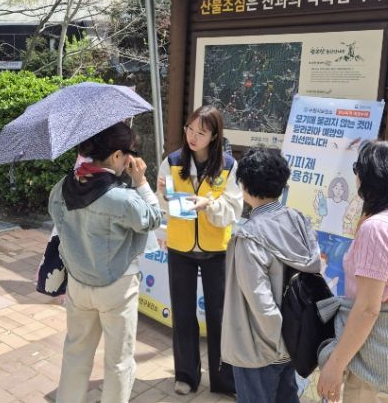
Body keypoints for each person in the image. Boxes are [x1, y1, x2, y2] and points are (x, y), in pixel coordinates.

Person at [49, 122, 162, 403]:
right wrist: (141, 181)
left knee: (75, 353)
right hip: (117, 286)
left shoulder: (62, 188)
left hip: (78, 283)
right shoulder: (122, 199)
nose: (130, 159)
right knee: (119, 361)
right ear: (116, 155)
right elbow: (153, 218)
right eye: (129, 153)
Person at [317, 140, 388, 403]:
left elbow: (368, 309)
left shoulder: (377, 228)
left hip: (376, 363)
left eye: (358, 168)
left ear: (375, 177)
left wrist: (335, 365)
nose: (356, 176)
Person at [221, 148, 321, 403]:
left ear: (244, 186)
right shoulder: (298, 219)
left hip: (259, 347)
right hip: (295, 339)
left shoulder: (249, 236)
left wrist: (279, 342)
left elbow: (260, 301)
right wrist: (290, 344)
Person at [157, 105, 243, 395]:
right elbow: (162, 202)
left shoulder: (228, 166)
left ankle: (223, 380)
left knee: (219, 316)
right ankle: (186, 375)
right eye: (190, 129)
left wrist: (209, 205)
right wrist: (166, 197)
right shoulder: (172, 162)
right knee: (182, 314)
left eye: (201, 132)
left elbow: (234, 208)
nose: (193, 137)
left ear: (214, 136)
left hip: (216, 249)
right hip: (180, 247)